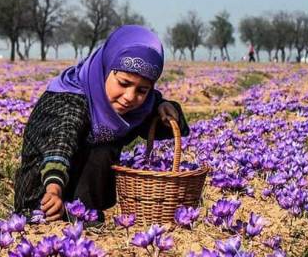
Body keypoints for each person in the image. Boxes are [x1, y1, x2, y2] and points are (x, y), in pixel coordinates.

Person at [13, 25, 190, 222]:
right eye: (123, 83)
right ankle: (69, 213)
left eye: (142, 90)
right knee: (97, 148)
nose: (130, 97)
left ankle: (84, 213)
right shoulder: (69, 98)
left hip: (83, 207)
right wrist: (54, 191)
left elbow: (157, 119)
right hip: (43, 196)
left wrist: (165, 106)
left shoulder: (137, 105)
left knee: (104, 148)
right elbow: (60, 143)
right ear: (105, 68)